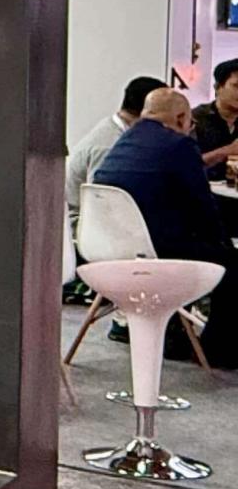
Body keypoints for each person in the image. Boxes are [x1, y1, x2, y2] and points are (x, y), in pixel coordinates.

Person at [92, 88, 236, 366]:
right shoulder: (179, 146)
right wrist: (224, 245)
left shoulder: (125, 140)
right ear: (181, 118)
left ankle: (174, 333)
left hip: (108, 248)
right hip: (157, 251)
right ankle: (219, 352)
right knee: (231, 264)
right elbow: (204, 207)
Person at [67, 75, 164, 239]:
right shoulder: (109, 147)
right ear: (149, 112)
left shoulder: (114, 130)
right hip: (82, 229)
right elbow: (101, 202)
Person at [193, 58, 238, 179]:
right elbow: (186, 164)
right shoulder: (195, 119)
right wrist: (228, 151)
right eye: (236, 86)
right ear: (218, 87)